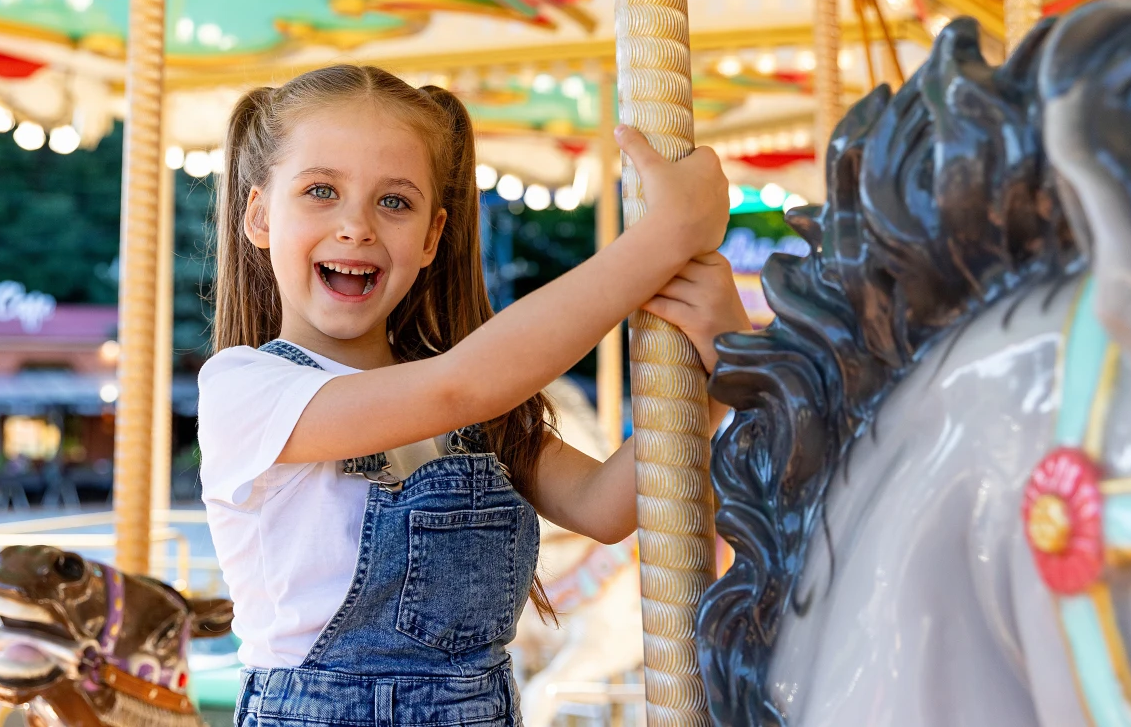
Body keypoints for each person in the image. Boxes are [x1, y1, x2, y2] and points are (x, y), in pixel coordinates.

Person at [199, 66, 749, 727]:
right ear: (259, 215)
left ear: (432, 236)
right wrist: (664, 238)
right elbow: (457, 386)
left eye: (394, 202)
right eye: (321, 191)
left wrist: (721, 373)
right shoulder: (247, 389)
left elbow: (604, 506)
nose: (356, 226)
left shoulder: (472, 409)